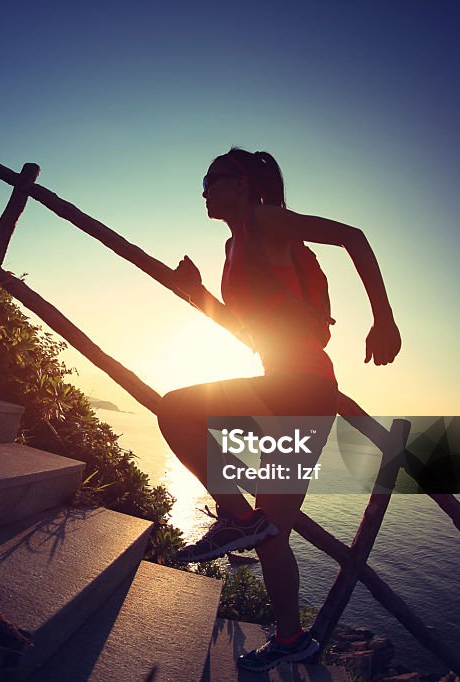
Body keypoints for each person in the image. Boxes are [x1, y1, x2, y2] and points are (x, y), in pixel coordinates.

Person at [157, 148, 401, 671]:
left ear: (242, 184)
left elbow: (354, 237)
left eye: (212, 179)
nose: (203, 189)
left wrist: (383, 319)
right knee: (273, 537)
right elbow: (249, 331)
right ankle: (292, 639)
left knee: (176, 410)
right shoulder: (234, 244)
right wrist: (196, 292)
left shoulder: (263, 220)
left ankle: (236, 517)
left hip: (300, 384)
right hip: (300, 389)